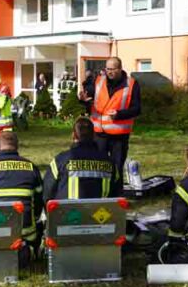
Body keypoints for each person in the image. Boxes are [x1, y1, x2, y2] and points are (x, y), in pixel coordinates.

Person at [0, 131, 43, 264]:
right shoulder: (30, 167)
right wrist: (35, 219)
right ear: (17, 147)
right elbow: (40, 201)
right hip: (25, 232)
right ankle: (28, 250)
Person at [79, 57, 140, 195]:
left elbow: (137, 109)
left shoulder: (131, 84)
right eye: (107, 69)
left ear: (119, 69)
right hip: (99, 133)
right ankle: (97, 193)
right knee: (97, 165)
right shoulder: (99, 80)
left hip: (119, 136)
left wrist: (119, 114)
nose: (109, 72)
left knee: (116, 168)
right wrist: (82, 99)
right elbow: (89, 98)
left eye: (112, 69)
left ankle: (115, 196)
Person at [43, 117, 116, 201]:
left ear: (73, 135)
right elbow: (116, 191)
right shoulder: (109, 162)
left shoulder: (60, 160)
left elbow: (48, 191)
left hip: (66, 213)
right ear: (94, 135)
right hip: (100, 213)